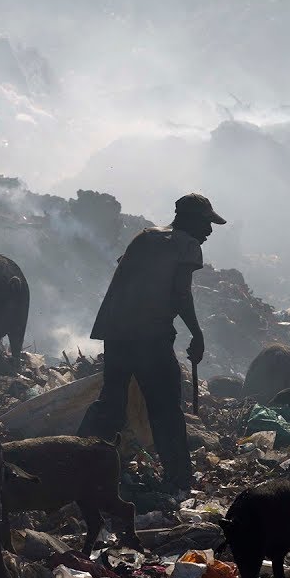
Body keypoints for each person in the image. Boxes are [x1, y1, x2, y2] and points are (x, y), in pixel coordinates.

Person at [77, 193, 226, 496]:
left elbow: (130, 278)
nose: (209, 232)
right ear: (189, 220)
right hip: (149, 338)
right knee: (166, 409)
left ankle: (77, 463)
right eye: (206, 224)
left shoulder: (144, 238)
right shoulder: (186, 244)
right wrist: (196, 334)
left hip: (116, 332)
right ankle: (179, 479)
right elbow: (181, 294)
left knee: (111, 403)